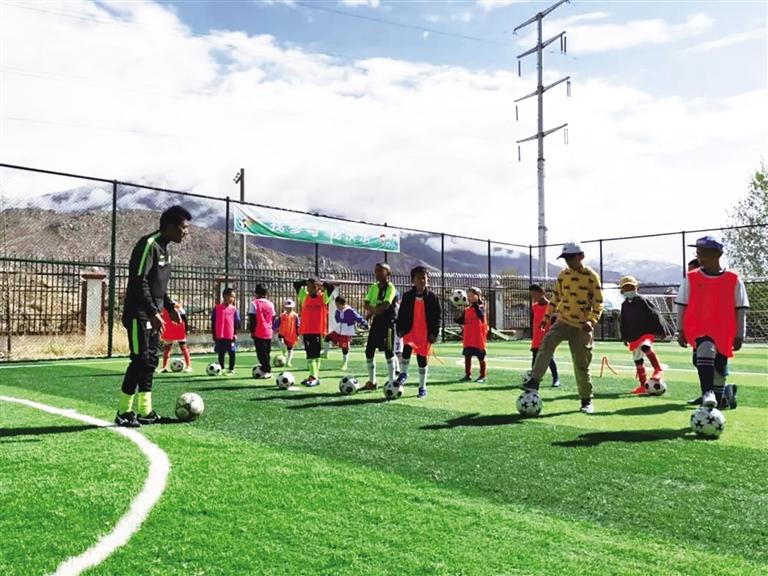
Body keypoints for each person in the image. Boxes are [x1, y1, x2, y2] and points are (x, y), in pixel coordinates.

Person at [116, 205, 191, 427]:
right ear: (170, 226)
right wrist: (152, 311)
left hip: (153, 314)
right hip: (138, 314)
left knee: (150, 361)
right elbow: (139, 281)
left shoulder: (166, 250)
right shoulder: (148, 245)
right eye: (183, 227)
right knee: (139, 360)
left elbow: (158, 287)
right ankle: (123, 412)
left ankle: (145, 411)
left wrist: (169, 307)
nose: (186, 232)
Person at [521, 241, 604, 414]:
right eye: (565, 258)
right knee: (546, 343)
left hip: (582, 327)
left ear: (581, 256)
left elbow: (598, 302)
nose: (568, 261)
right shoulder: (563, 275)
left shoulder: (591, 276)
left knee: (581, 365)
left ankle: (586, 400)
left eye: (571, 258)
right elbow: (555, 298)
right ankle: (535, 380)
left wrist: (591, 321)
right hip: (563, 322)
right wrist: (546, 318)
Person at [676, 235, 748, 410]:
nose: (701, 257)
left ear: (719, 254)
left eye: (706, 253)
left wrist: (740, 334)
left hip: (723, 330)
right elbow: (682, 304)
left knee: (720, 370)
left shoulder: (733, 279)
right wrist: (680, 330)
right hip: (698, 328)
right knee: (705, 349)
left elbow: (740, 308)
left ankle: (721, 398)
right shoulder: (691, 278)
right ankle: (707, 392)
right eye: (699, 253)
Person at [395, 266, 441, 398]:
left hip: (424, 332)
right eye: (418, 278)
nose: (421, 280)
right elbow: (401, 314)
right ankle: (403, 374)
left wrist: (434, 333)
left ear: (428, 280)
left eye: (424, 278)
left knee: (422, 359)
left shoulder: (432, 297)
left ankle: (422, 387)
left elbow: (437, 317)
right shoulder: (407, 296)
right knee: (407, 349)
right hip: (410, 329)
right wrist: (400, 329)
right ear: (413, 280)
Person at [618, 276, 669, 395]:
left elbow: (655, 314)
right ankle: (643, 386)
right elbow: (623, 321)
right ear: (622, 291)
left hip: (645, 332)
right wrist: (624, 336)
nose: (629, 290)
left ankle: (658, 369)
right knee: (638, 360)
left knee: (645, 346)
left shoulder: (642, 301)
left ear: (637, 288)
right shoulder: (624, 305)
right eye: (626, 288)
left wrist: (661, 330)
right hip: (633, 336)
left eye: (631, 287)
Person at [362, 262, 398, 390]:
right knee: (369, 350)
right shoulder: (373, 287)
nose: (377, 273)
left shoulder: (390, 288)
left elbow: (384, 307)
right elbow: (366, 304)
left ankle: (392, 381)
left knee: (388, 351)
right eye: (376, 270)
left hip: (388, 323)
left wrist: (374, 309)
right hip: (377, 322)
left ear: (388, 273)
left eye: (380, 270)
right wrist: (373, 311)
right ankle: (372, 381)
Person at [293, 277, 335, 386]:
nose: (309, 288)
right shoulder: (305, 297)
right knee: (309, 354)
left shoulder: (323, 298)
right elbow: (296, 284)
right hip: (306, 330)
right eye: (308, 286)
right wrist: (305, 282)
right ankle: (314, 376)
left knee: (315, 354)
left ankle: (314, 377)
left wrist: (321, 283)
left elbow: (331, 288)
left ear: (318, 287)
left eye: (312, 286)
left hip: (318, 331)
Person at [323, 296, 368, 370]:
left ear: (342, 304)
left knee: (345, 347)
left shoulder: (350, 311)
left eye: (338, 305)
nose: (337, 306)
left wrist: (365, 323)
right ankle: (325, 354)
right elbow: (337, 318)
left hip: (347, 331)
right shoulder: (338, 311)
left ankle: (344, 364)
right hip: (339, 329)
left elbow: (358, 317)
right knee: (328, 337)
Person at [528, 284, 560, 387]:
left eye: (535, 294)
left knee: (549, 359)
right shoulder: (534, 307)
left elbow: (555, 322)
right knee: (535, 359)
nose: (533, 297)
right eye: (532, 295)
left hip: (547, 337)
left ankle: (556, 379)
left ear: (542, 293)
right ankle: (533, 380)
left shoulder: (551, 306)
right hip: (536, 338)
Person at [456, 287, 488, 383]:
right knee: (467, 356)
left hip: (478, 337)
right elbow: (461, 320)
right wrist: (456, 317)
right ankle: (467, 375)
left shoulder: (481, 307)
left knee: (481, 357)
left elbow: (480, 315)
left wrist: (476, 304)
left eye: (472, 295)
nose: (469, 298)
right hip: (468, 337)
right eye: (468, 296)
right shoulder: (467, 309)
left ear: (477, 296)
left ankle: (482, 376)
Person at [248, 284, 276, 378]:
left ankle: (267, 370)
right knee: (267, 352)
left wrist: (252, 331)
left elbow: (252, 319)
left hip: (259, 331)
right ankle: (265, 368)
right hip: (268, 331)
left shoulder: (254, 303)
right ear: (266, 293)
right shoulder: (271, 304)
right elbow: (273, 318)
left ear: (256, 293)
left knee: (261, 353)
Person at [212, 287, 241, 375]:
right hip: (220, 335)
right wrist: (214, 334)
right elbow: (213, 322)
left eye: (233, 297)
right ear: (224, 296)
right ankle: (221, 368)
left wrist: (235, 333)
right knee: (221, 352)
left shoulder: (234, 309)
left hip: (230, 335)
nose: (232, 299)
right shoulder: (217, 308)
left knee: (232, 352)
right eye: (231, 296)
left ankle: (231, 368)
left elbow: (236, 323)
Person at [159, 303, 191, 373]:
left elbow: (184, 316)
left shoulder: (176, 305)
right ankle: (164, 367)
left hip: (179, 328)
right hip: (168, 328)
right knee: (167, 347)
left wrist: (187, 329)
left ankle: (188, 366)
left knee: (183, 346)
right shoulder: (162, 305)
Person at [273, 299, 299, 367]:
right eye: (287, 308)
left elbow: (297, 325)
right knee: (282, 344)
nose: (289, 309)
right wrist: (273, 329)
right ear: (285, 308)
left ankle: (288, 362)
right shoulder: (282, 316)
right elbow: (276, 324)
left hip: (291, 335)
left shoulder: (295, 316)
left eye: (290, 308)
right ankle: (284, 352)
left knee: (290, 349)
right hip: (282, 334)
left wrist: (298, 334)